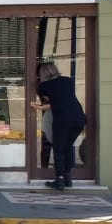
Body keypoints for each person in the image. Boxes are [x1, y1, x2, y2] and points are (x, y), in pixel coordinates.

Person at [32, 62, 87, 190]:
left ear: (42, 73)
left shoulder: (43, 86)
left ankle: (59, 180)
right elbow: (62, 99)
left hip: (63, 120)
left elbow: (52, 102)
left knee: (59, 150)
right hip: (79, 119)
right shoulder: (67, 81)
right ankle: (67, 178)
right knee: (68, 147)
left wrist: (39, 107)